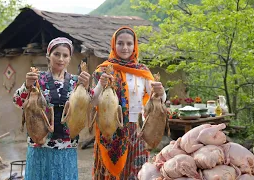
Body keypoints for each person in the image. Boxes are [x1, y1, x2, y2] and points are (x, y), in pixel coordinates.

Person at [91, 26, 166, 179]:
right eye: (120, 43)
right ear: (114, 45)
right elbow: (92, 102)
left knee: (136, 172)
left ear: (134, 46)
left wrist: (161, 92)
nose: (125, 47)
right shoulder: (103, 71)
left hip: (137, 130)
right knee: (111, 174)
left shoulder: (142, 71)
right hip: (111, 129)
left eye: (129, 44)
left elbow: (159, 99)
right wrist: (100, 84)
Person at [13, 37, 90, 180]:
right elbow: (18, 101)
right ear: (49, 55)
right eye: (56, 54)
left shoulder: (76, 82)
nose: (60, 59)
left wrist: (86, 87)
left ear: (69, 58)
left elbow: (89, 103)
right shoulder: (37, 78)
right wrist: (27, 85)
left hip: (67, 145)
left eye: (65, 55)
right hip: (40, 144)